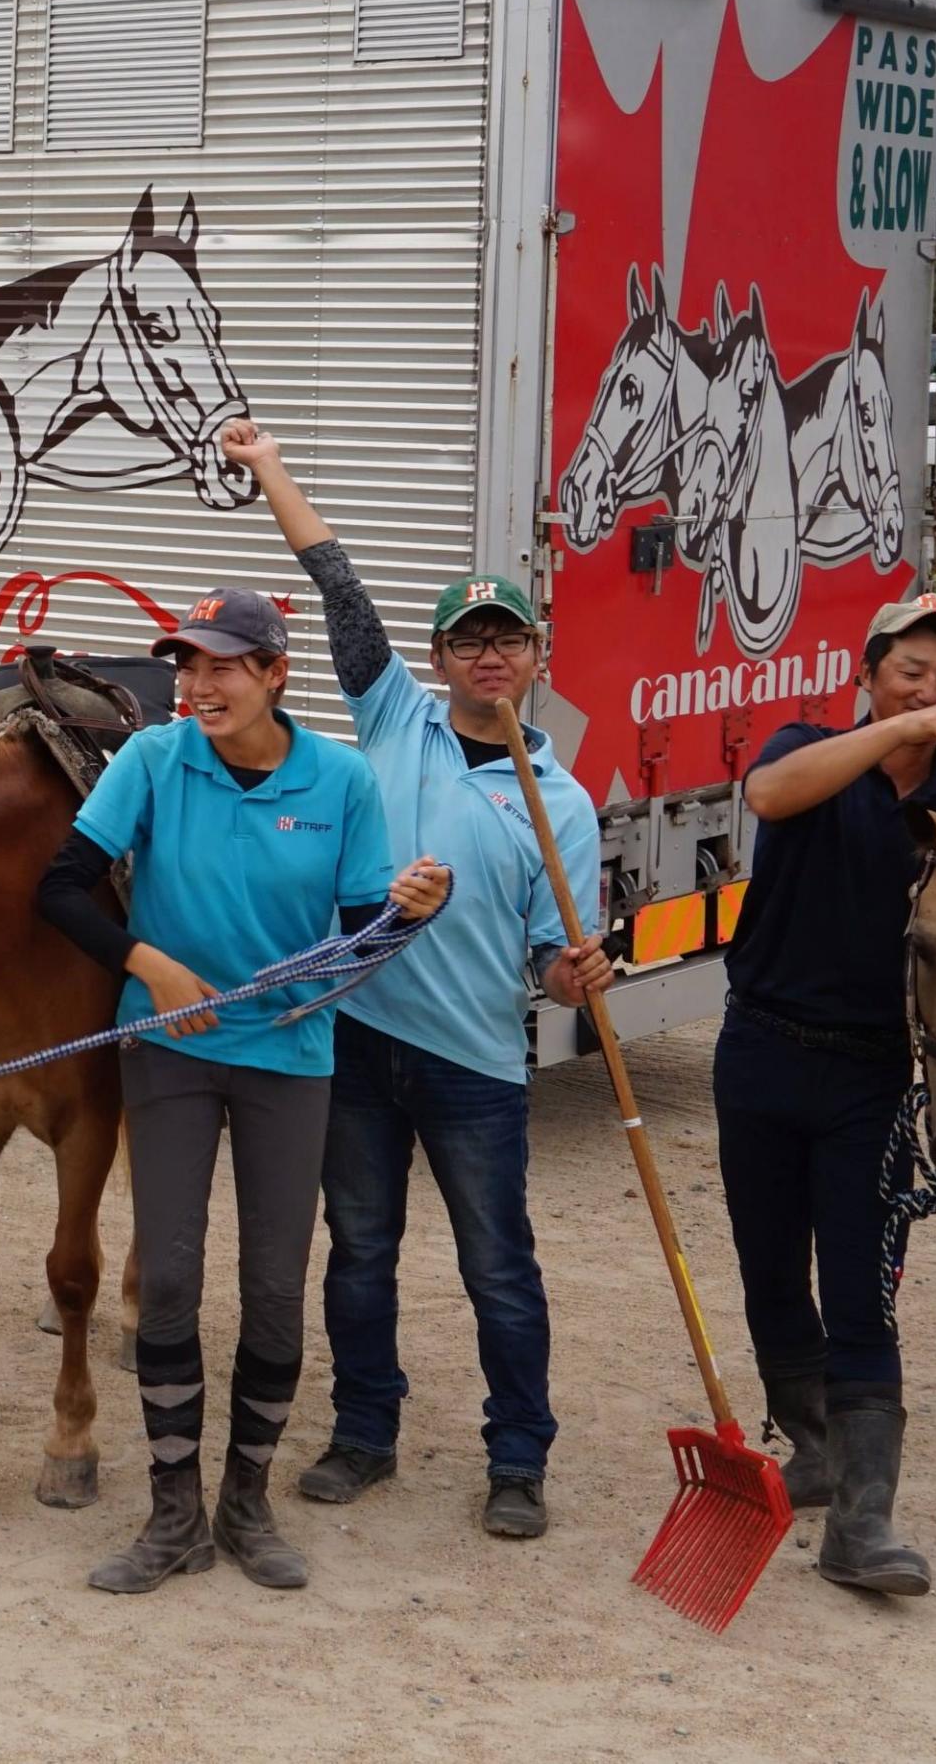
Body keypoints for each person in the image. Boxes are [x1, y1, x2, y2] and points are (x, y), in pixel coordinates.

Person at [223, 420, 611, 1541]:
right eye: (466, 642)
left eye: (507, 642)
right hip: (356, 1041)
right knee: (358, 1250)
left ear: (535, 659)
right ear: (437, 662)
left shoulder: (560, 802)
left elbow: (550, 956)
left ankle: (517, 1457)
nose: (487, 658)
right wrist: (267, 465)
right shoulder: (391, 718)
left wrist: (575, 975)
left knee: (498, 1267)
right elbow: (332, 580)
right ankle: (363, 1433)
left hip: (474, 1063)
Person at [31, 588, 450, 1597]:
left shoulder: (339, 779)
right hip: (167, 1050)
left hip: (290, 1057)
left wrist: (408, 916)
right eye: (185, 664)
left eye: (220, 665)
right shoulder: (149, 760)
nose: (195, 684)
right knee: (167, 1281)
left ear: (273, 674)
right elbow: (57, 886)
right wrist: (150, 965)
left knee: (270, 1291)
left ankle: (244, 1504)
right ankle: (172, 1515)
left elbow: (360, 942)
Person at [720, 592, 936, 1599]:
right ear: (868, 677)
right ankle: (814, 1447)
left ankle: (861, 1524)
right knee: (764, 1271)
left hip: (868, 1075)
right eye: (910, 671)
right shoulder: (809, 747)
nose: (931, 690)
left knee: (858, 1292)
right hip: (757, 1047)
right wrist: (898, 731)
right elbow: (766, 795)